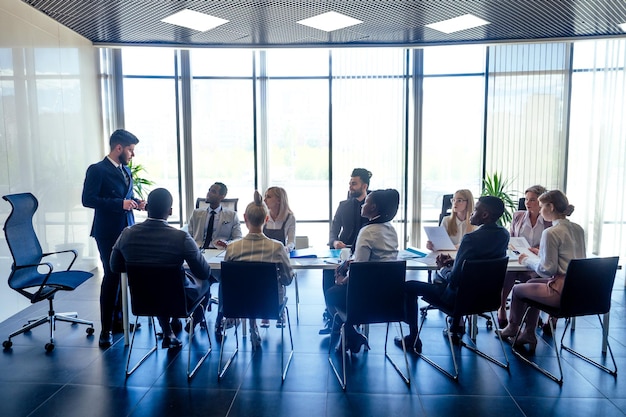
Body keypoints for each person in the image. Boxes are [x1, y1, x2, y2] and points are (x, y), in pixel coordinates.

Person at [396, 196, 510, 353]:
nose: (472, 213)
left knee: (409, 287)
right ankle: (455, 326)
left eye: (476, 210)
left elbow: (455, 280)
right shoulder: (503, 235)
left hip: (458, 300)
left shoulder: (470, 238)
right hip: (487, 300)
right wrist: (455, 262)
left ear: (485, 215)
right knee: (444, 280)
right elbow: (481, 263)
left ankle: (412, 338)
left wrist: (443, 268)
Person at [110, 188, 212, 349]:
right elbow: (203, 272)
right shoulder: (181, 237)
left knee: (155, 284)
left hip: (143, 299)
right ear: (170, 211)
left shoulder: (127, 234)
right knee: (205, 280)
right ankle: (193, 323)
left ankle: (168, 330)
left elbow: (114, 266)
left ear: (147, 207)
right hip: (178, 301)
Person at [498, 190, 585, 352]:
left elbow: (547, 270)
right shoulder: (578, 229)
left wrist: (527, 260)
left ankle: (513, 328)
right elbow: (572, 258)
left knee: (517, 290)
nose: (539, 208)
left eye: (542, 205)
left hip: (560, 291)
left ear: (550, 207)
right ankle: (529, 332)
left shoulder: (550, 232)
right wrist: (543, 253)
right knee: (531, 284)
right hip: (578, 290)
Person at [82, 129, 147, 348]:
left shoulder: (125, 170)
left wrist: (137, 202)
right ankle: (106, 329)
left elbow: (125, 197)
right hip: (107, 232)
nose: (132, 155)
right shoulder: (97, 170)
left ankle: (120, 322)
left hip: (127, 230)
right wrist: (119, 204)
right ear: (118, 148)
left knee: (123, 277)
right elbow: (88, 199)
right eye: (130, 150)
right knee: (111, 277)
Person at [323, 189, 400, 353]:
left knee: (331, 292)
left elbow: (359, 272)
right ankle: (351, 334)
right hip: (390, 295)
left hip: (366, 297)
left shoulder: (367, 231)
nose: (362, 205)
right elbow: (376, 260)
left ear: (373, 208)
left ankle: (349, 331)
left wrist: (341, 280)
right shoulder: (390, 229)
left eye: (366, 203)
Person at [224, 191, 295, 349]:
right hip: (270, 303)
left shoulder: (233, 248)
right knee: (259, 291)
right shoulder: (277, 247)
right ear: (266, 219)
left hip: (238, 304)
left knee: (247, 290)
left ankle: (251, 325)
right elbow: (287, 280)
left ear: (245, 218)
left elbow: (228, 280)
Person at [319, 168, 372, 334]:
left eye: (354, 183)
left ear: (364, 186)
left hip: (365, 251)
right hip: (344, 250)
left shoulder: (372, 206)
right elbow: (334, 229)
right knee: (327, 272)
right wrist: (335, 241)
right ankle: (333, 314)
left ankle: (349, 316)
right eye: (350, 183)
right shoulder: (344, 205)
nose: (350, 186)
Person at [497, 185, 552, 328]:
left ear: (541, 202)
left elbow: (551, 244)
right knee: (508, 272)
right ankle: (502, 307)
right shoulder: (518, 216)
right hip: (519, 258)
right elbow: (511, 237)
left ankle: (531, 317)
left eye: (532, 200)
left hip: (538, 260)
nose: (527, 203)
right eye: (526, 199)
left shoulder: (549, 221)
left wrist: (539, 249)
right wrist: (512, 245)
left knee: (532, 278)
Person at [187, 182, 242, 249]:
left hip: (219, 250)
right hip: (198, 249)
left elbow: (238, 238)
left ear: (222, 196)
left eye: (213, 191)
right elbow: (188, 235)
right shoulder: (196, 213)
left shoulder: (232, 215)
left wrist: (227, 244)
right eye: (209, 190)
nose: (208, 193)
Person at [263, 186, 296, 252]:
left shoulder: (290, 218)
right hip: (265, 255)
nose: (264, 200)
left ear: (279, 200)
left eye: (268, 197)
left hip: (281, 254)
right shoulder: (263, 215)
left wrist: (287, 248)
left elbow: (291, 242)